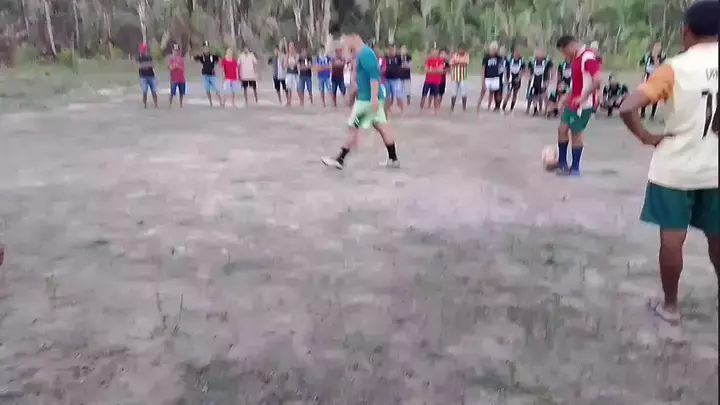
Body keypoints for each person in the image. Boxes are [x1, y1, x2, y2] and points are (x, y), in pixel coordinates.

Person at [618, 0, 718, 325]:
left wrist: (646, 136)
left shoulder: (675, 68)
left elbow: (627, 106)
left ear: (687, 32)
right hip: (716, 169)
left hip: (677, 169)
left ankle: (671, 307)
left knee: (672, 239)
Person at [321, 27, 399, 170]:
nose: (345, 43)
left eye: (346, 39)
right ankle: (393, 158)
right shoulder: (360, 54)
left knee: (353, 127)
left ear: (354, 37)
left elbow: (374, 77)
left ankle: (340, 159)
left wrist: (373, 98)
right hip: (370, 98)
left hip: (367, 101)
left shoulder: (366, 54)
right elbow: (360, 77)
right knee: (382, 126)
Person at [555, 35, 602, 176]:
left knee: (576, 133)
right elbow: (577, 83)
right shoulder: (576, 59)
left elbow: (598, 79)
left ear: (571, 46)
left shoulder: (587, 57)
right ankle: (562, 164)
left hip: (583, 104)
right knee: (562, 129)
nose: (565, 55)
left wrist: (584, 96)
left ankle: (575, 168)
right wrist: (565, 97)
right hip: (573, 101)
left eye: (565, 52)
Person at [639, 42, 667, 120]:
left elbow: (657, 66)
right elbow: (641, 64)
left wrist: (655, 57)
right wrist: (642, 74)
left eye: (659, 47)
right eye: (655, 47)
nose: (657, 48)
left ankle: (652, 114)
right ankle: (642, 113)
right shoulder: (647, 55)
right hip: (648, 77)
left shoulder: (663, 56)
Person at [194, 41, 223, 107]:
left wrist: (218, 65)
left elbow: (219, 60)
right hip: (205, 75)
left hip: (212, 75)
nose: (206, 49)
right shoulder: (202, 57)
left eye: (207, 47)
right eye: (205, 48)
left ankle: (220, 102)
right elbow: (194, 59)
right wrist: (196, 56)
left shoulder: (213, 56)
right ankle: (210, 102)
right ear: (203, 49)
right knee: (207, 90)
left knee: (216, 88)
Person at [477, 41, 503, 112]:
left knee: (492, 92)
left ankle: (488, 107)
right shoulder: (486, 57)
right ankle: (478, 105)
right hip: (488, 77)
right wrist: (483, 80)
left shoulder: (498, 57)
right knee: (483, 91)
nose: (494, 50)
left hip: (495, 77)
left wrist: (498, 52)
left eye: (496, 49)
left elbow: (502, 57)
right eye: (493, 49)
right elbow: (483, 69)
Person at [526, 49, 553, 115]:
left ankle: (547, 110)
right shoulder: (532, 61)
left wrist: (549, 80)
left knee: (544, 96)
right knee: (534, 96)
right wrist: (529, 76)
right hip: (534, 82)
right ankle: (535, 110)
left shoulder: (547, 61)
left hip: (543, 81)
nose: (538, 54)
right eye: (537, 53)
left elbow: (551, 70)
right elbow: (528, 70)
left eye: (540, 53)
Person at [420, 48, 445, 114]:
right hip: (428, 81)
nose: (434, 54)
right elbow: (426, 70)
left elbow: (440, 71)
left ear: (438, 53)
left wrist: (431, 69)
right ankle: (421, 109)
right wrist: (435, 69)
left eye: (435, 52)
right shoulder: (428, 60)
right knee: (424, 95)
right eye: (433, 52)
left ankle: (435, 110)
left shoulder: (441, 60)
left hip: (436, 82)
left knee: (436, 96)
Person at [502, 48, 526, 113]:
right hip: (510, 79)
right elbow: (505, 68)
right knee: (508, 93)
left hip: (517, 79)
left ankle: (511, 109)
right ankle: (503, 108)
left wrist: (519, 77)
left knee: (515, 94)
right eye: (516, 52)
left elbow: (523, 70)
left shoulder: (522, 60)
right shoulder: (509, 59)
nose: (517, 54)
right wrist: (506, 78)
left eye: (518, 53)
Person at [384, 44, 404, 114]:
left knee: (398, 95)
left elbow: (402, 66)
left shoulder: (398, 57)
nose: (391, 51)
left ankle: (402, 110)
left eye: (393, 50)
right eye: (390, 49)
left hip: (396, 79)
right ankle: (387, 110)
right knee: (387, 95)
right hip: (386, 79)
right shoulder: (385, 58)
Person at [137, 42, 158, 108]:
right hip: (143, 76)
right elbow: (139, 66)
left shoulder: (150, 57)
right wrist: (147, 65)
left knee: (154, 91)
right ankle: (145, 104)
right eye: (142, 49)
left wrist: (145, 65)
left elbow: (153, 64)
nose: (143, 51)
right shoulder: (139, 57)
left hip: (151, 75)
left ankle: (156, 104)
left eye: (144, 49)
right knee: (144, 91)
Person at [449, 46, 470, 112]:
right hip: (455, 76)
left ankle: (464, 107)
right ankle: (452, 107)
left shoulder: (466, 55)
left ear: (464, 50)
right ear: (458, 49)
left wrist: (457, 63)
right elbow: (451, 64)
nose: (461, 51)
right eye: (460, 49)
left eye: (462, 49)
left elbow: (466, 63)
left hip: (463, 77)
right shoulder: (454, 55)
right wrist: (460, 63)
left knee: (464, 92)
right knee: (454, 93)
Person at [168, 44, 186, 108]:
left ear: (178, 51)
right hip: (174, 79)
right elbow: (170, 68)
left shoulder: (182, 59)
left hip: (181, 78)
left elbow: (182, 68)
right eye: (174, 50)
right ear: (172, 51)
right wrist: (175, 66)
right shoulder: (171, 59)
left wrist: (175, 66)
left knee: (181, 93)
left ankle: (181, 104)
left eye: (177, 50)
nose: (175, 52)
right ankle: (170, 104)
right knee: (172, 92)